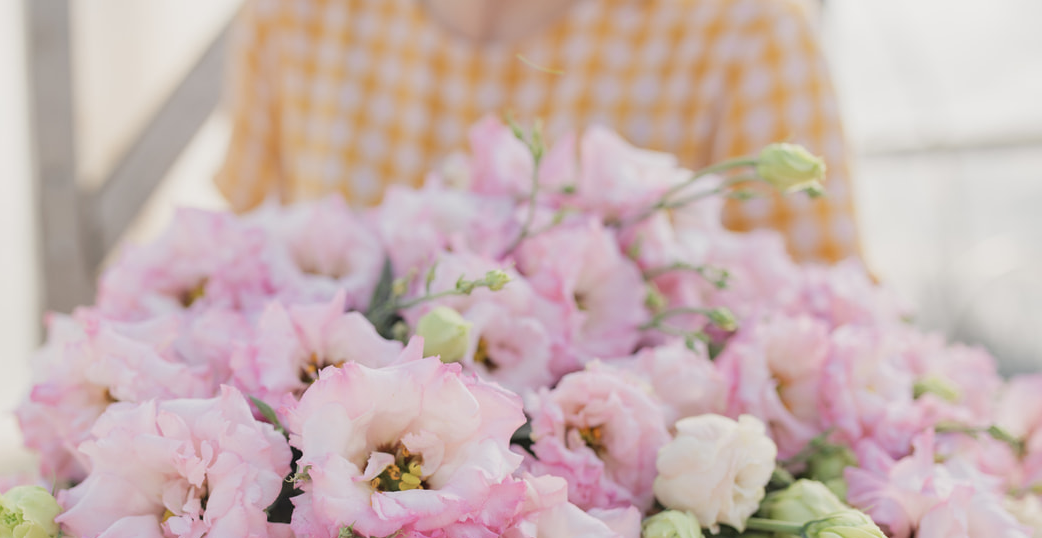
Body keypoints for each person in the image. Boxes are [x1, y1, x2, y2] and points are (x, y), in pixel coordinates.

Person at [215, 0, 860, 265]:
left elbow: (825, 341)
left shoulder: (744, 32)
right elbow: (236, 280)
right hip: (342, 526)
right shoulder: (292, 18)